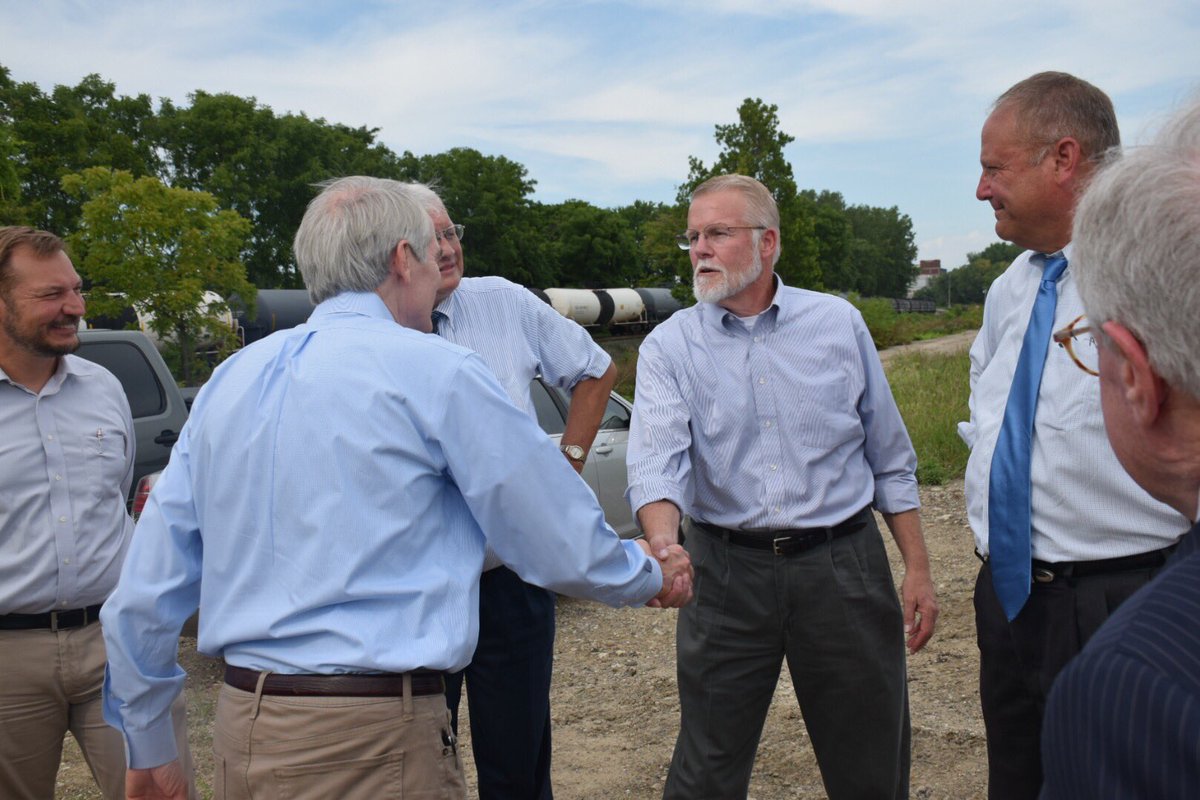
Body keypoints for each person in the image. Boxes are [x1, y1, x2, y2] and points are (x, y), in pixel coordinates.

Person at [99, 176, 693, 800]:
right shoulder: (438, 370)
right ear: (403, 259)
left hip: (246, 726)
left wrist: (150, 745)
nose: (443, 266)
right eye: (432, 252)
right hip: (373, 740)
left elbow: (143, 593)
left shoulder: (231, 379)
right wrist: (649, 572)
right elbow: (553, 537)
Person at [627, 173, 939, 800]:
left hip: (841, 565)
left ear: (766, 242)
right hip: (725, 573)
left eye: (718, 233)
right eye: (693, 236)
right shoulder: (669, 346)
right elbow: (658, 460)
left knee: (869, 760)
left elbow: (889, 458)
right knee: (706, 766)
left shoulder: (838, 324)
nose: (699, 250)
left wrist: (918, 568)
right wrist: (664, 546)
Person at [960, 71, 1190, 800]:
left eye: (995, 169)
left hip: (1124, 591)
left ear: (1063, 158)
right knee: (1018, 777)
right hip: (1010, 596)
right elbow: (989, 410)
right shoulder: (1010, 289)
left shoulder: (1155, 273)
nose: (981, 189)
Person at [408, 183, 618, 799]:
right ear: (398, 252)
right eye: (431, 238)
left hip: (510, 577)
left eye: (451, 232)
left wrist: (565, 467)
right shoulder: (377, 326)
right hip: (415, 588)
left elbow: (596, 369)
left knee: (517, 766)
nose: (448, 248)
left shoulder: (501, 301)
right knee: (415, 765)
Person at [1039, 97, 1200, 800]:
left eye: (1088, 346)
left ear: (1136, 377)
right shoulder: (1005, 293)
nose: (981, 189)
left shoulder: (1135, 687)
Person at [0, 226, 194, 800]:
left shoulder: (103, 387)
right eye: (51, 294)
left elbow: (118, 495)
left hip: (117, 641)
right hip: (9, 656)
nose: (76, 307)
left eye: (76, 289)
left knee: (162, 791)